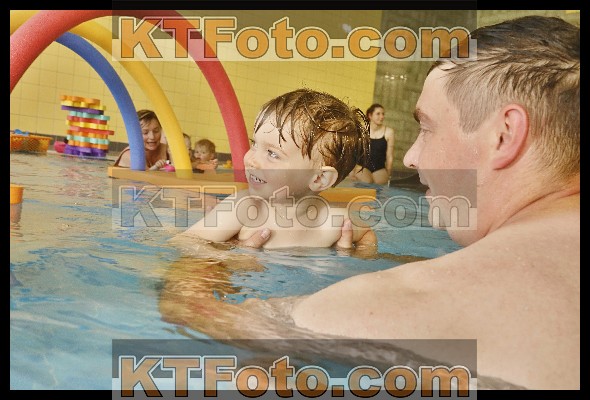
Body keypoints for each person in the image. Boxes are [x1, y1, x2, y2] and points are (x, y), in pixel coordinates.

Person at [166, 16, 579, 390]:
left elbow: (195, 314)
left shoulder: (363, 307)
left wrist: (210, 275)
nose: (411, 158)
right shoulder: (244, 209)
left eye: (427, 128)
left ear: (505, 135)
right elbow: (190, 242)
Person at [178, 88, 376, 249]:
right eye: (254, 144)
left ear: (319, 179)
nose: (251, 159)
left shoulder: (333, 222)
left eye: (272, 154)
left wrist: (351, 254)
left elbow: (367, 235)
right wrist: (232, 257)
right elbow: (185, 243)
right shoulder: (245, 208)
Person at [349, 104, 395, 185]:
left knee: (379, 184)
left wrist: (388, 174)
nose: (382, 117)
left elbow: (389, 156)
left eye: (383, 114)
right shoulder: (361, 130)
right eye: (378, 114)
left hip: (379, 168)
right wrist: (351, 171)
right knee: (367, 182)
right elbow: (354, 152)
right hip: (362, 167)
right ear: (370, 116)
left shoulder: (389, 132)